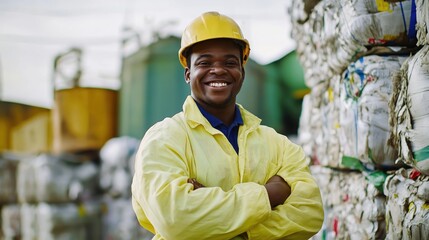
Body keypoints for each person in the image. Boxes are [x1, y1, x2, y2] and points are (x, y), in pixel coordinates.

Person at [131, 11, 324, 240]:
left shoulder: (278, 145)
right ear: (188, 73)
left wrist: (221, 224)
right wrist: (268, 195)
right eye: (205, 62)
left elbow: (309, 213)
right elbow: (173, 218)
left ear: (242, 72)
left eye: (230, 62)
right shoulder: (164, 138)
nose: (218, 69)